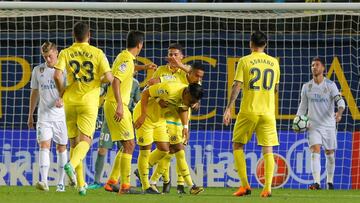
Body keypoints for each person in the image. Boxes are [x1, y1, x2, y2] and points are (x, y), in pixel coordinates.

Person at [53, 21, 113, 196]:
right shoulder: (97, 53)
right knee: (85, 142)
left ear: (74, 35)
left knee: (74, 143)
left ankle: (80, 185)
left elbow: (57, 75)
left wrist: (62, 91)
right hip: (88, 102)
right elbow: (109, 78)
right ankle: (70, 165)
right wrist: (98, 79)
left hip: (70, 101)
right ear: (89, 35)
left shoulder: (66, 52)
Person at [223, 30, 280, 198]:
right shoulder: (274, 62)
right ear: (265, 44)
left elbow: (237, 86)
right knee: (267, 149)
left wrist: (228, 108)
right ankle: (267, 188)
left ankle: (245, 186)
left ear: (250, 43)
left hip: (249, 110)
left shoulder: (245, 61)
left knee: (238, 145)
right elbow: (276, 88)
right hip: (268, 112)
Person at [103, 30, 156, 194]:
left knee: (126, 145)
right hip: (116, 104)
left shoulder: (123, 56)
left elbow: (127, 70)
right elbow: (116, 81)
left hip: (113, 104)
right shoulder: (126, 59)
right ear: (140, 45)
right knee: (130, 144)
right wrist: (119, 104)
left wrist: (144, 67)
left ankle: (112, 182)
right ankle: (125, 185)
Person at [134, 81, 204, 194]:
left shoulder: (186, 98)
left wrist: (185, 127)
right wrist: (143, 114)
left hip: (160, 119)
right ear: (186, 93)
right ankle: (146, 187)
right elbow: (146, 93)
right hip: (145, 117)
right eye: (191, 101)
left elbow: (183, 109)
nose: (191, 104)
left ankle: (143, 169)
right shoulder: (169, 89)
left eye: (193, 103)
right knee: (145, 151)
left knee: (164, 150)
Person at [295, 57, 345, 190]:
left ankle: (329, 182)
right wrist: (297, 120)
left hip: (328, 125)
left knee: (329, 154)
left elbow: (341, 103)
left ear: (323, 68)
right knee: (315, 150)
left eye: (317, 65)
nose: (314, 67)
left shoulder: (330, 85)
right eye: (312, 65)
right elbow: (302, 106)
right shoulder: (306, 87)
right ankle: (316, 182)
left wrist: (339, 114)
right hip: (313, 125)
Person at [27, 41, 68, 192]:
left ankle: (61, 183)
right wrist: (30, 114)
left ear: (57, 53)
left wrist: (63, 98)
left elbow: (70, 90)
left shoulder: (65, 71)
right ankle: (43, 181)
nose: (48, 60)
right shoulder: (38, 70)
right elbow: (34, 92)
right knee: (44, 146)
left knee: (61, 147)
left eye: (50, 56)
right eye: (45, 57)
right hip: (44, 116)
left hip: (61, 116)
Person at [88, 75, 141, 190]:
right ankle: (97, 181)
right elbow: (99, 96)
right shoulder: (112, 80)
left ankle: (117, 182)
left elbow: (138, 102)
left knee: (125, 148)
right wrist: (95, 116)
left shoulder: (135, 83)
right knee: (102, 149)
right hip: (110, 118)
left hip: (125, 119)